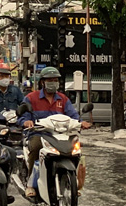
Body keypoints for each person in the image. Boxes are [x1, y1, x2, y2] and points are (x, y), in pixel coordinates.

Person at [18, 66, 91, 198]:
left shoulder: (63, 99)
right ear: (42, 82)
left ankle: (75, 182)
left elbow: (73, 115)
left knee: (76, 150)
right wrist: (26, 122)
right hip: (39, 134)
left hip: (61, 135)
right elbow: (22, 117)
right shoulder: (31, 98)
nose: (53, 83)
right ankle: (30, 183)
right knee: (36, 148)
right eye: (50, 80)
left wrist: (81, 123)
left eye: (55, 80)